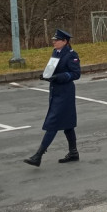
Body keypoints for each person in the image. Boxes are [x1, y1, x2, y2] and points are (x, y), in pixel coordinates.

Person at [25, 29, 82, 166]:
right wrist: (46, 75)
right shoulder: (55, 52)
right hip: (55, 91)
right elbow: (52, 68)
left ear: (65, 41)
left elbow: (75, 74)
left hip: (65, 93)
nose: (54, 42)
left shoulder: (71, 55)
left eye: (56, 40)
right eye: (53, 40)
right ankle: (73, 152)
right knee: (67, 125)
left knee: (53, 123)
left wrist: (58, 77)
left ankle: (38, 156)